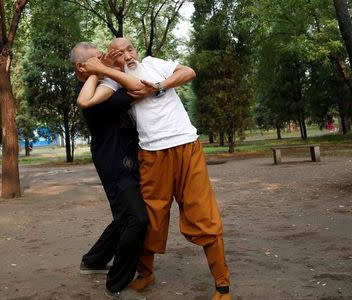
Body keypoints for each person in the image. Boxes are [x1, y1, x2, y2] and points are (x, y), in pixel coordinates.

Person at [79, 37, 232, 300]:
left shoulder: (153, 63)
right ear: (112, 58)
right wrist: (100, 70)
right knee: (151, 218)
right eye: (118, 53)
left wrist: (159, 86)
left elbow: (188, 71)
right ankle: (145, 274)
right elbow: (86, 101)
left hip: (186, 145)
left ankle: (222, 284)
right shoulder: (114, 82)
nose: (127, 55)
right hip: (150, 154)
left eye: (130, 49)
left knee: (203, 215)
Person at [70, 42, 148, 300]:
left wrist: (105, 66)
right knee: (137, 219)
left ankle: (93, 261)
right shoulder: (89, 91)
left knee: (124, 217)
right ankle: (116, 284)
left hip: (128, 157)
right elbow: (135, 89)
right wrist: (99, 70)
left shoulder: (103, 84)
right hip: (113, 161)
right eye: (95, 60)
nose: (102, 61)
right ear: (82, 67)